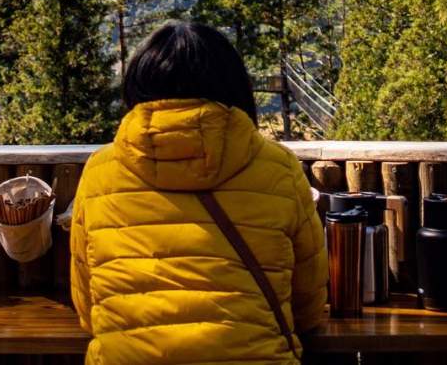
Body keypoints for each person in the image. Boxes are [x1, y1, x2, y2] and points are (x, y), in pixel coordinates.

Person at [70, 21, 328, 364]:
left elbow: (89, 308)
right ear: (236, 88)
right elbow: (308, 309)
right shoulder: (279, 168)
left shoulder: (101, 172)